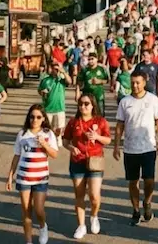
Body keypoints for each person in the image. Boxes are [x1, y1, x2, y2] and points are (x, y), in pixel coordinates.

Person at [114, 69, 158, 226]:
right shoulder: (125, 102)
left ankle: (147, 202)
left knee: (149, 180)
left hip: (148, 147)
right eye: (133, 83)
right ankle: (136, 210)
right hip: (130, 149)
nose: (135, 86)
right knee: (133, 182)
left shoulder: (153, 100)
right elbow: (119, 125)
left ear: (145, 82)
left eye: (138, 82)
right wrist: (116, 145)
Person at [6, 104, 59, 244]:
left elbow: (54, 154)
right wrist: (10, 176)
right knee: (25, 209)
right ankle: (28, 240)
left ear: (43, 119)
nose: (34, 120)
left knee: (39, 209)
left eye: (38, 117)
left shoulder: (48, 134)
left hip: (41, 178)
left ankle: (42, 226)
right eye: (32, 117)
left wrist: (44, 144)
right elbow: (16, 156)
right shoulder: (22, 134)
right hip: (24, 177)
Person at [63, 93, 112, 240]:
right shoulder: (73, 122)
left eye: (86, 104)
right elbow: (65, 141)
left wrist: (97, 137)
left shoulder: (100, 121)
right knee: (79, 195)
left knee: (94, 196)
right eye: (81, 104)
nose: (83, 106)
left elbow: (108, 140)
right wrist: (71, 148)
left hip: (95, 161)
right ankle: (81, 225)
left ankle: (94, 216)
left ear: (92, 105)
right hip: (77, 161)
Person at [39, 62, 72, 136]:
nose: (56, 70)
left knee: (60, 130)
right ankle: (48, 143)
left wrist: (63, 71)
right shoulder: (45, 79)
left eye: (57, 68)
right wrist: (42, 92)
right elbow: (39, 90)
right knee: (47, 129)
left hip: (60, 108)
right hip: (48, 108)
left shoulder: (61, 79)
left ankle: (58, 141)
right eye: (54, 68)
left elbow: (70, 81)